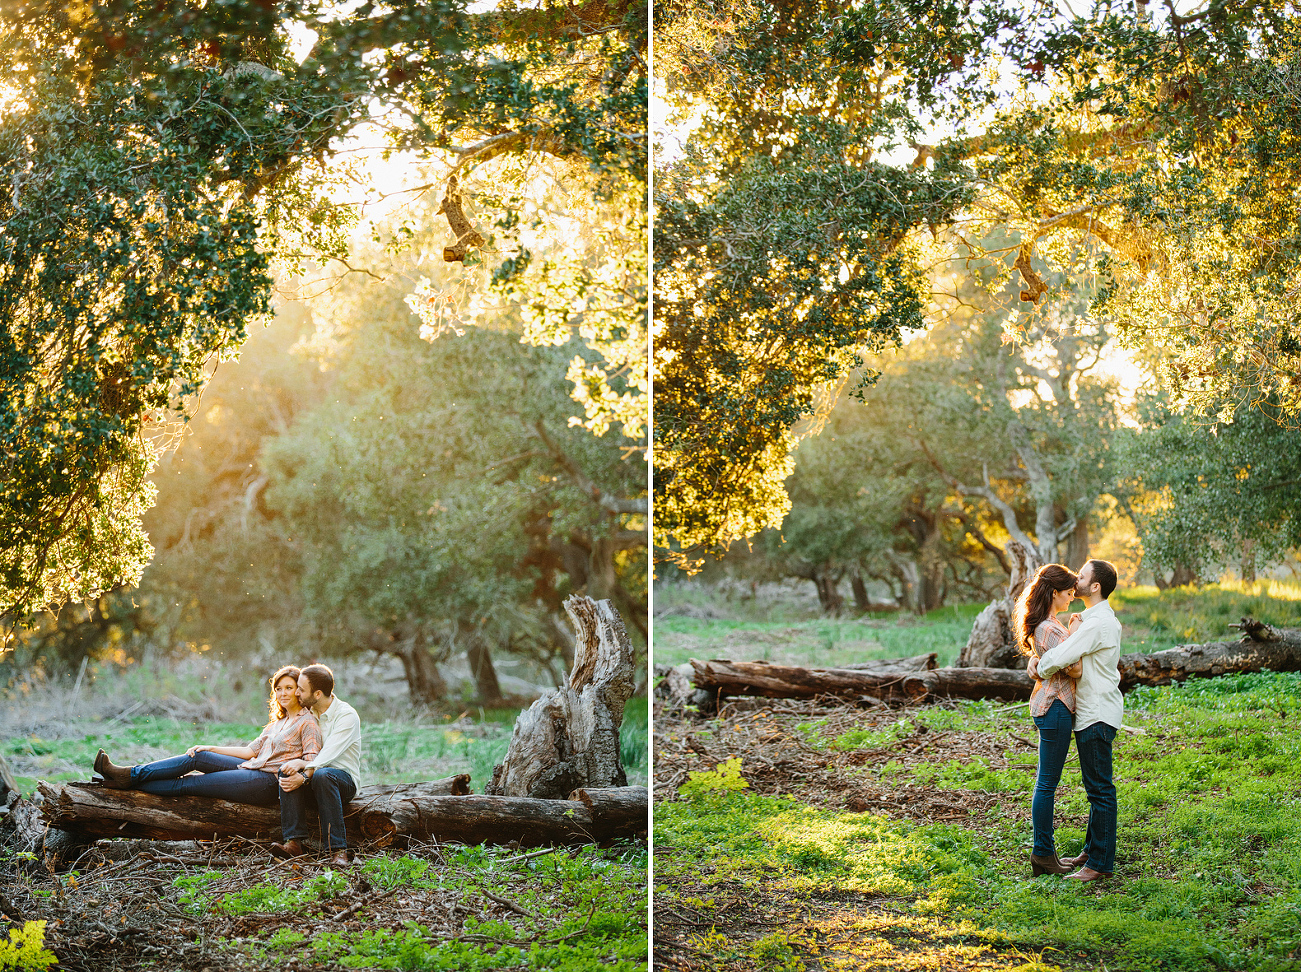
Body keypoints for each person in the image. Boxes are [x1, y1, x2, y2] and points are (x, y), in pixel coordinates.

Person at [92, 666, 322, 806]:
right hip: (253, 766)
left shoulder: (307, 722)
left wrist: (301, 772)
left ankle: (127, 783)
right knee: (197, 757)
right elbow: (250, 752)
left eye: (289, 688)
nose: (282, 693)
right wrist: (210, 747)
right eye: (279, 688)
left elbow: (313, 760)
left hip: (266, 783)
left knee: (191, 783)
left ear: (300, 691)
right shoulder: (278, 723)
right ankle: (130, 774)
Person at [1028, 558, 1124, 883]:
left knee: (1100, 790)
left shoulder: (1097, 624)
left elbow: (1066, 655)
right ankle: (1093, 849)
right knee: (1095, 787)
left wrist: (1038, 666)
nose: (1076, 580)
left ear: (1094, 586)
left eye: (1081, 576)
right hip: (1089, 711)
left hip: (1095, 712)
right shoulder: (1090, 619)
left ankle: (1099, 864)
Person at [1014, 564, 1084, 877]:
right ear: (1054, 593)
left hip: (1050, 706)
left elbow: (1049, 657)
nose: (1073, 595)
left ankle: (1045, 852)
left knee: (1046, 782)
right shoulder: (1052, 628)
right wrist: (1079, 632)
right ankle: (1042, 854)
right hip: (1055, 707)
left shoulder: (1048, 623)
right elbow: (1077, 667)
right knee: (1046, 784)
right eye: (1069, 591)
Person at [270, 663, 362, 867]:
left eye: (301, 689)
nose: (297, 693)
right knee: (287, 769)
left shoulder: (346, 716)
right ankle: (294, 843)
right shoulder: (309, 714)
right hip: (315, 779)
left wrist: (304, 772)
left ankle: (338, 851)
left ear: (318, 693)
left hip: (341, 781)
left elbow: (328, 755)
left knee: (323, 775)